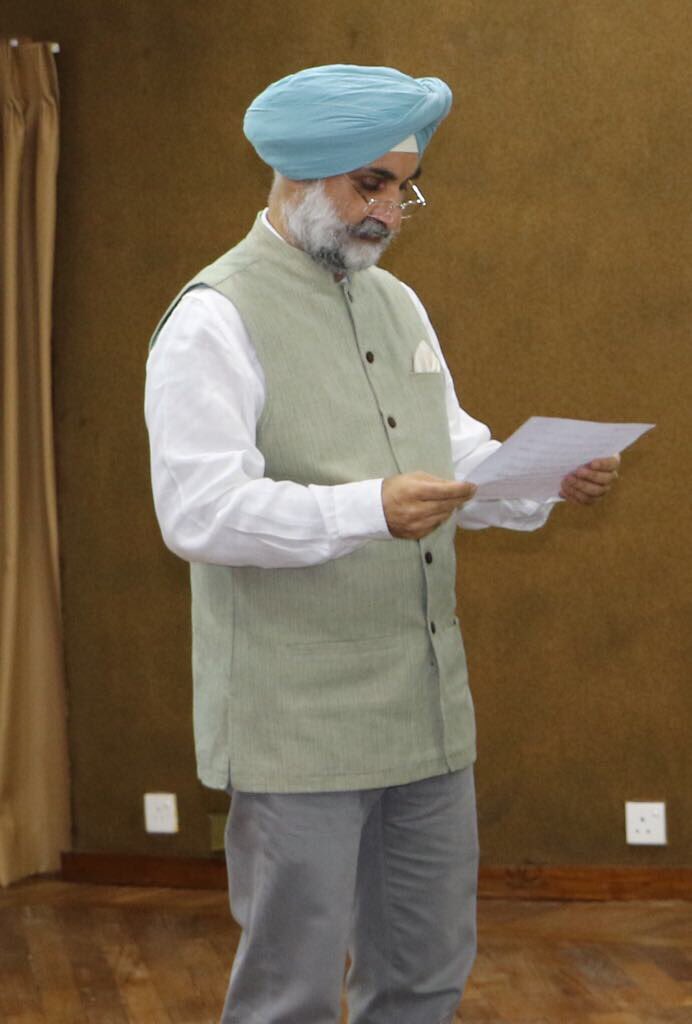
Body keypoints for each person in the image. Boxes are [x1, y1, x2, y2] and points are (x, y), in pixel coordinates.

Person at [145, 64, 619, 1024]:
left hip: (427, 713)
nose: (390, 211)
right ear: (297, 174)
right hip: (296, 724)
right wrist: (367, 510)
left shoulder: (398, 305)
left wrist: (538, 481)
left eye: (403, 187)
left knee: (426, 971)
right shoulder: (213, 317)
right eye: (371, 183)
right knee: (292, 993)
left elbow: (448, 454)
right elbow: (198, 511)